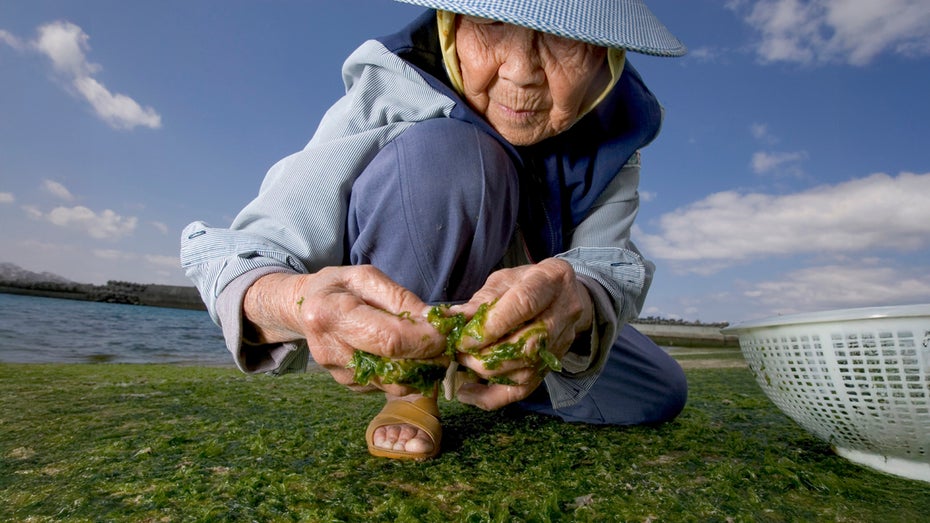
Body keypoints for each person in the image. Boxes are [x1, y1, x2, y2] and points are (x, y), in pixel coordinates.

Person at [181, 0, 688, 461]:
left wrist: (576, 301)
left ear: (607, 58)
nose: (521, 72)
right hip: (412, 296)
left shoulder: (617, 129)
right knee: (452, 158)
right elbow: (245, 252)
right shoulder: (392, 87)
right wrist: (293, 299)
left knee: (658, 391)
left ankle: (489, 370)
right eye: (491, 25)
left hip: (518, 324)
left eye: (563, 39)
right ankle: (414, 388)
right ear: (451, 24)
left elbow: (605, 258)